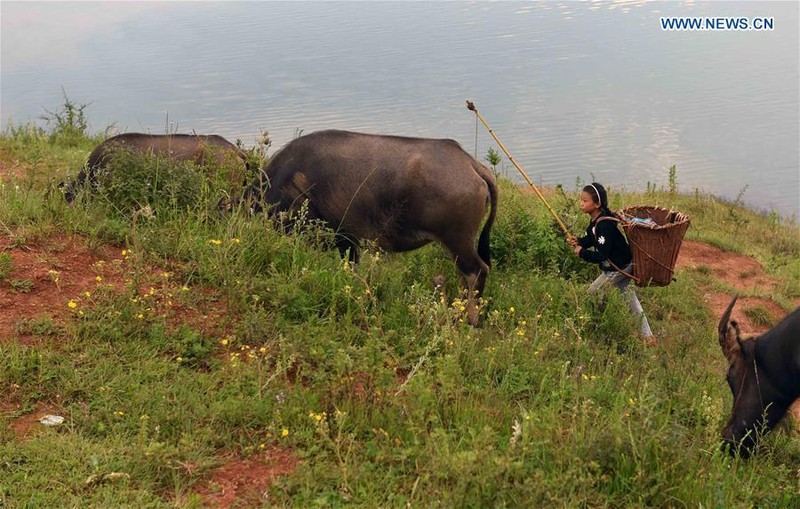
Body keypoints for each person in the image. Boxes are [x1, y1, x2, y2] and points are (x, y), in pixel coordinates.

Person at [568, 182, 656, 344]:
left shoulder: (604, 225)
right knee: (629, 298)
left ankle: (596, 326)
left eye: (585, 201)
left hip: (619, 267)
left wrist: (581, 253)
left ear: (597, 204)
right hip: (625, 264)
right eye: (581, 200)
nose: (581, 203)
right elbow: (591, 239)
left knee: (592, 293)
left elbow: (601, 255)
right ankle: (648, 337)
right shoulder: (596, 221)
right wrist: (579, 241)